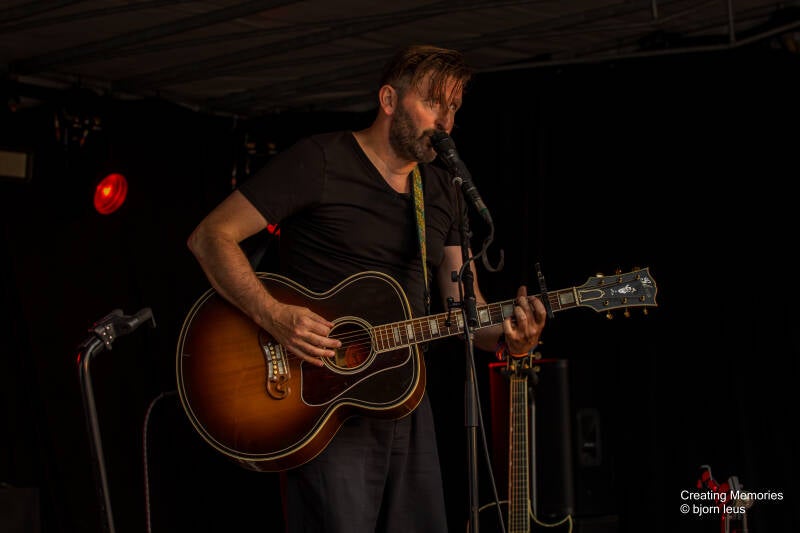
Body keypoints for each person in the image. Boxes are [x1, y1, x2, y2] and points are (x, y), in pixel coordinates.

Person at [187, 44, 546, 533]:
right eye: (433, 103)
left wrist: (509, 339)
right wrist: (273, 314)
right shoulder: (320, 160)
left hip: (406, 399)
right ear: (389, 100)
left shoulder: (444, 191)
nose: (445, 122)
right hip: (321, 400)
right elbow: (211, 236)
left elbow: (467, 309)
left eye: (454, 108)